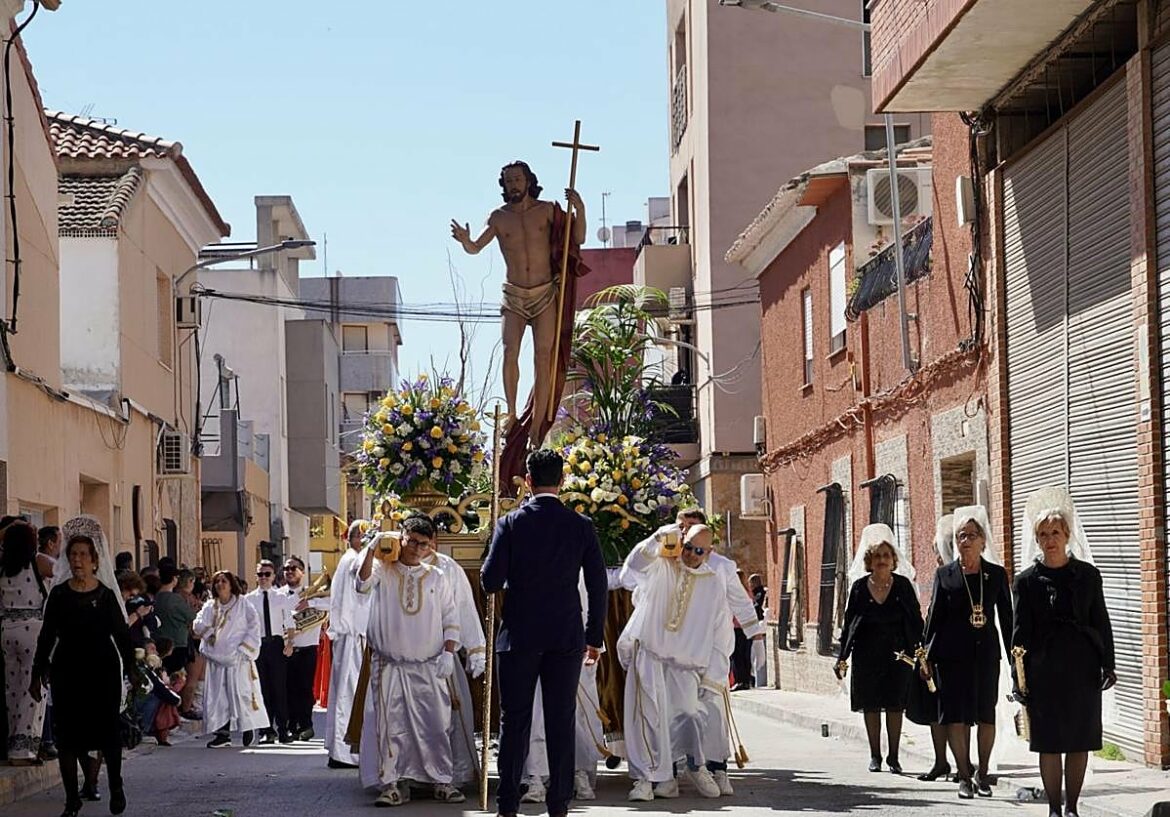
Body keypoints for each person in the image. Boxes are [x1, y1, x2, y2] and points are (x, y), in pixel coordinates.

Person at [481, 448, 607, 817]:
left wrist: (496, 540)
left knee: (514, 722)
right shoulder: (580, 525)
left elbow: (490, 581)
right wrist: (593, 638)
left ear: (529, 481)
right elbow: (597, 585)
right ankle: (559, 806)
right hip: (565, 635)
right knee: (560, 720)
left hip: (518, 635)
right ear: (563, 481)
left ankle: (507, 805)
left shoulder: (511, 523)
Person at [451, 162, 586, 446]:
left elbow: (578, 238)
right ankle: (512, 413)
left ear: (528, 181)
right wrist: (465, 241)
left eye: (517, 179)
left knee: (544, 356)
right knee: (510, 349)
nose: (513, 184)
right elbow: (476, 247)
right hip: (513, 294)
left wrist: (580, 209)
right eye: (508, 180)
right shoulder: (499, 218)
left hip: (544, 293)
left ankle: (537, 423)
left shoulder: (547, 210)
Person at [1012, 487, 1115, 817]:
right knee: (1050, 741)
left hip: (1082, 667)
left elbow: (1101, 619)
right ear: (1037, 540)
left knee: (1079, 739)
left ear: (1067, 534)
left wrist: (1107, 664)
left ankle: (1072, 807)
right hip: (1044, 670)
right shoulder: (1026, 582)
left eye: (1055, 532)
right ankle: (1054, 808)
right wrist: (1020, 678)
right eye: (1043, 534)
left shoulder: (1088, 575)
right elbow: (1019, 634)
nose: (1049, 539)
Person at [356, 515, 465, 806]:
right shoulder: (383, 568)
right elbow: (362, 584)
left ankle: (442, 781)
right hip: (390, 665)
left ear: (431, 546)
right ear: (401, 537)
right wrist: (371, 548)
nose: (417, 549)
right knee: (389, 726)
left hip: (429, 665)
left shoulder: (436, 576)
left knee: (436, 725)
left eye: (424, 544)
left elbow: (451, 619)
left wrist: (448, 652)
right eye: (412, 541)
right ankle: (391, 784)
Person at [618, 523, 732, 801]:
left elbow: (720, 632)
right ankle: (648, 780)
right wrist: (657, 539)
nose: (691, 554)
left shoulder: (714, 583)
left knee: (690, 715)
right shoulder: (662, 565)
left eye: (699, 551)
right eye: (688, 547)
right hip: (650, 655)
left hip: (688, 664)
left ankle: (695, 764)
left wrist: (714, 675)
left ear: (709, 552)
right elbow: (631, 571)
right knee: (647, 720)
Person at [32, 516, 133, 817]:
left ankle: (115, 784)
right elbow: (47, 635)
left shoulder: (104, 596)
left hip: (101, 670)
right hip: (67, 670)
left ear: (93, 560)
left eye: (83, 555)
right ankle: (71, 799)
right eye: (72, 554)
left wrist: (132, 671)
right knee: (67, 738)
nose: (77, 560)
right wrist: (38, 672)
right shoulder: (60, 596)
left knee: (108, 735)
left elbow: (122, 636)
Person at [922, 505, 1012, 800]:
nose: (966, 541)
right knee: (956, 717)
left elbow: (1008, 619)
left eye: (972, 535)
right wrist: (926, 655)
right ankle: (963, 774)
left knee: (986, 714)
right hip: (951, 657)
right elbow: (934, 616)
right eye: (961, 536)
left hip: (985, 654)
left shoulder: (996, 574)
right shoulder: (944, 575)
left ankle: (983, 774)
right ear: (955, 541)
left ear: (983, 540)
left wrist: (1016, 659)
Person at [673, 506, 762, 795]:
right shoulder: (672, 563)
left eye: (691, 526)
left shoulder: (722, 566)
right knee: (683, 709)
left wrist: (755, 633)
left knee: (713, 709)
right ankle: (686, 764)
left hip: (715, 647)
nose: (685, 531)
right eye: (681, 526)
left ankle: (717, 766)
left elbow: (739, 600)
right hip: (681, 650)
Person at [835, 523, 923, 774]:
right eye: (877, 556)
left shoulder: (903, 586)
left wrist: (922, 654)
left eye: (886, 556)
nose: (882, 560)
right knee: (871, 705)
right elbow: (849, 622)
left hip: (898, 655)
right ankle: (875, 755)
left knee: (895, 705)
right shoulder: (860, 588)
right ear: (869, 560)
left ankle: (894, 757)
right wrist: (843, 656)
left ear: (893, 559)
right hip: (867, 654)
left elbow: (916, 621)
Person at [520, 572, 604, 803]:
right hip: (535, 642)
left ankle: (578, 771)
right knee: (537, 713)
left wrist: (592, 642)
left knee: (576, 713)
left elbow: (592, 599)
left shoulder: (578, 556)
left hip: (574, 644)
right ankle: (537, 775)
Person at [417, 518, 486, 787]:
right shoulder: (394, 566)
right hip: (405, 659)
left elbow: (464, 609)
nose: (419, 547)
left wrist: (475, 649)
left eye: (424, 541)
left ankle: (451, 774)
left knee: (448, 718)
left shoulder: (447, 568)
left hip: (441, 656)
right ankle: (410, 774)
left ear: (434, 541)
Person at [193, 570, 268, 749]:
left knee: (241, 694)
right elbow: (197, 623)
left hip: (238, 659)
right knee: (219, 696)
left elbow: (254, 626)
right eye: (217, 581)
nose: (220, 584)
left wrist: (244, 648)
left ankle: (248, 729)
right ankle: (222, 734)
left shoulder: (243, 604)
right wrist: (208, 632)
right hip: (217, 658)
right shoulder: (210, 606)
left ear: (231, 583)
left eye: (224, 581)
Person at [912, 514, 958, 782]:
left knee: (954, 716)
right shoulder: (941, 576)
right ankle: (941, 761)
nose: (936, 557)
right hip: (934, 655)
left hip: (954, 655)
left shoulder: (958, 578)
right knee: (935, 713)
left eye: (937, 551)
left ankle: (962, 763)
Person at [325, 521, 373, 768]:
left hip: (352, 635)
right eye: (361, 536)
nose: (364, 540)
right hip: (354, 635)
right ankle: (345, 752)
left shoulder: (349, 558)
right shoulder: (354, 559)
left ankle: (339, 748)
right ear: (352, 538)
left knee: (346, 690)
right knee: (350, 692)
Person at [1, 521, 48, 764]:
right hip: (33, 631)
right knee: (34, 688)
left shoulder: (3, 566)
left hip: (7, 629)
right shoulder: (37, 562)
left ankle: (11, 743)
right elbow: (62, 571)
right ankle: (24, 748)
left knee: (12, 687)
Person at [277, 555, 328, 741]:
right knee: (287, 689)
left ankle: (306, 725)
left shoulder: (312, 593)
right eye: (286, 569)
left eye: (293, 568)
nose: (289, 572)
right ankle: (291, 726)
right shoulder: (278, 594)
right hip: (285, 648)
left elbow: (332, 604)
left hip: (307, 647)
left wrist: (311, 603)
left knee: (305, 689)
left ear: (302, 572)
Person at [244, 559, 295, 744]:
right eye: (260, 574)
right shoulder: (249, 599)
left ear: (274, 576)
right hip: (258, 645)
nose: (263, 577)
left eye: (267, 574)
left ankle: (283, 729)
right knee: (261, 689)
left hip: (276, 644)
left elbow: (289, 622)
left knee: (279, 688)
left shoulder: (281, 598)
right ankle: (266, 730)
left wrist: (290, 644)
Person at [153, 564, 196, 675]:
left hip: (158, 642)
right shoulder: (175, 599)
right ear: (173, 579)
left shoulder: (156, 596)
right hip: (177, 644)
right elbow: (192, 616)